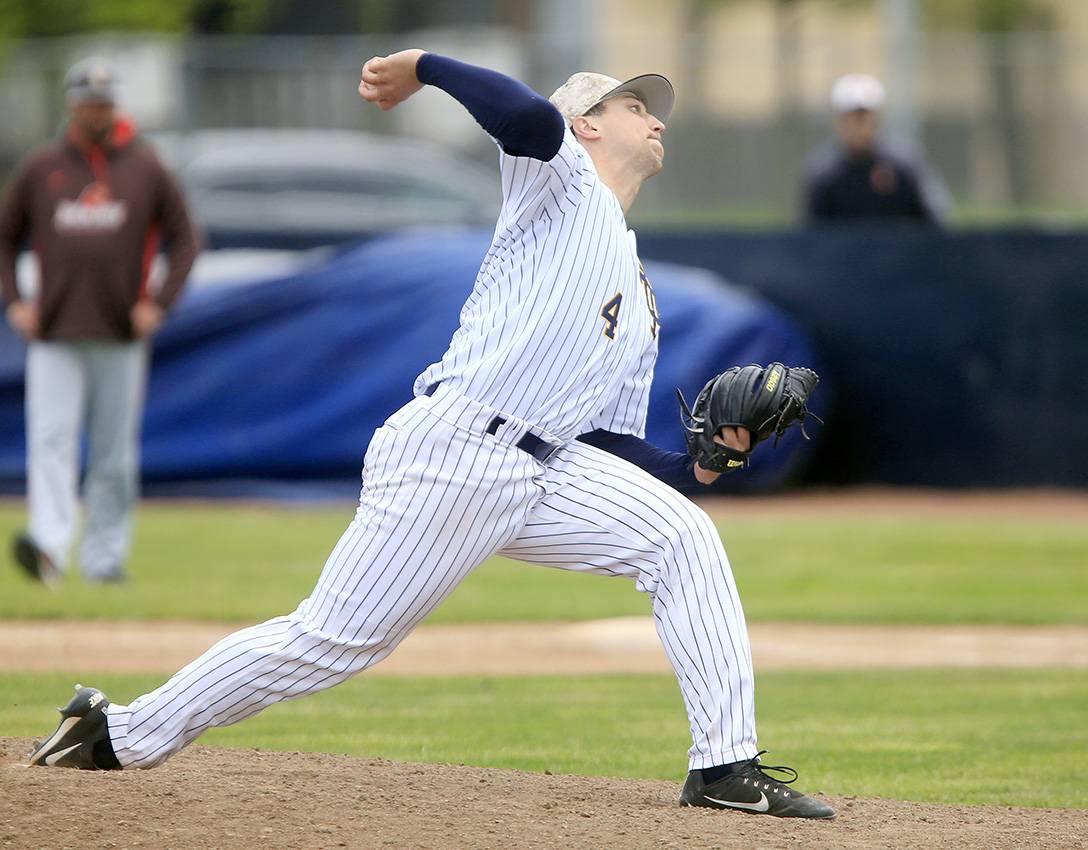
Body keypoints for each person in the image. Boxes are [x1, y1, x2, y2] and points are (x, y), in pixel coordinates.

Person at [26, 50, 834, 819]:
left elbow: (607, 444)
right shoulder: (559, 182)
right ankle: (118, 732)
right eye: (633, 105)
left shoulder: (640, 296)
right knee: (328, 643)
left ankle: (724, 768)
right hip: (456, 451)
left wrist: (705, 463)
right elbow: (523, 115)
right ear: (586, 123)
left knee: (683, 537)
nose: (655, 120)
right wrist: (424, 68)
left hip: (545, 469)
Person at [0, 58, 199, 585]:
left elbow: (186, 238)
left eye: (105, 103)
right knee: (51, 440)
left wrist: (159, 304)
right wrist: (15, 302)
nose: (98, 112)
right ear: (72, 105)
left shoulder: (145, 167)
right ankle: (48, 549)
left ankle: (104, 559)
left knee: (113, 453)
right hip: (54, 330)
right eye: (90, 103)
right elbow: (5, 236)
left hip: (119, 331)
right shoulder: (43, 167)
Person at [803, 72, 949, 225]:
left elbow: (934, 220)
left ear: (877, 118)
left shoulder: (904, 164)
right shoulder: (823, 173)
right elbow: (812, 230)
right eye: (850, 117)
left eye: (863, 117)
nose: (857, 125)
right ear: (838, 121)